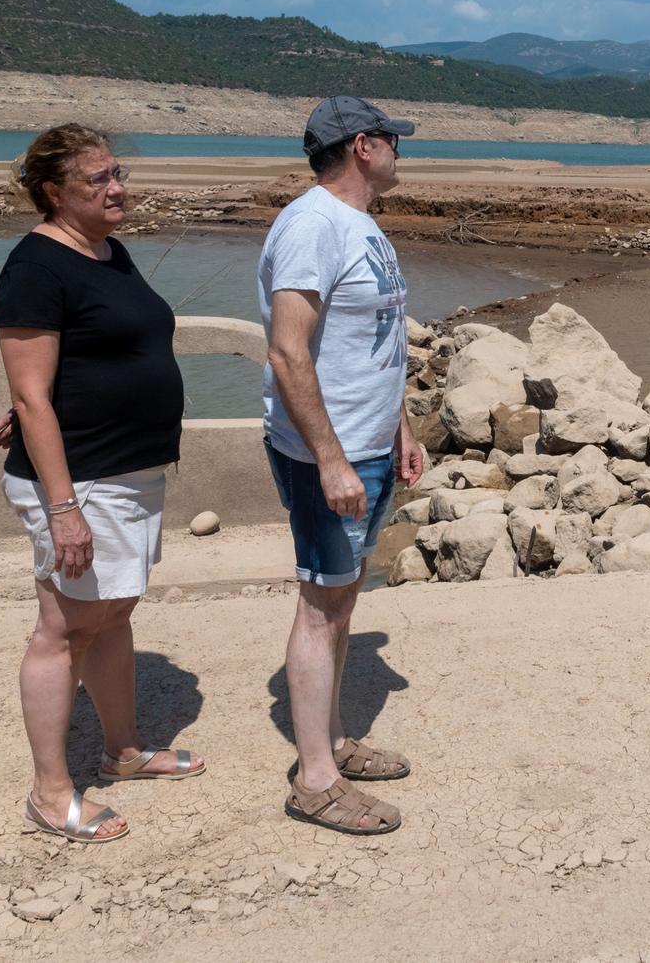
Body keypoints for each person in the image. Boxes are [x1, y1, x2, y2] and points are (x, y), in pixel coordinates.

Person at [0, 123, 206, 845]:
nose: (117, 188)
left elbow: (75, 360)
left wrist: (43, 396)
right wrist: (63, 509)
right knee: (63, 628)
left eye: (117, 173)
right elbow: (31, 393)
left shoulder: (110, 252)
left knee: (113, 614)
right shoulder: (35, 266)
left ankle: (122, 752)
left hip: (129, 473)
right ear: (54, 192)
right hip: (78, 483)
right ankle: (50, 794)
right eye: (97, 179)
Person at [259, 95, 427, 835]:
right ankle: (315, 779)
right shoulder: (311, 227)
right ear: (364, 145)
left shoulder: (361, 226)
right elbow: (288, 350)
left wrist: (401, 425)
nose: (401, 152)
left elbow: (372, 342)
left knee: (344, 597)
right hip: (329, 454)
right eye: (394, 140)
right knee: (321, 602)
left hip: (369, 443)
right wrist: (330, 459)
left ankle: (330, 740)